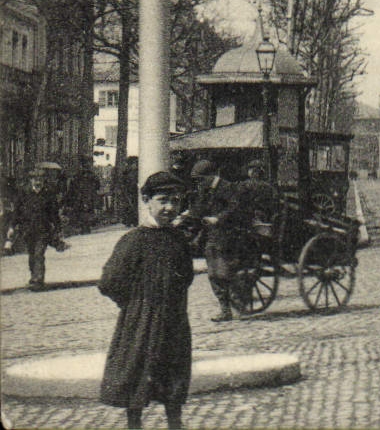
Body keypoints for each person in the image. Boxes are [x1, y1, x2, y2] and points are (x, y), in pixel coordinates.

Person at [99, 171, 195, 430]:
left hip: (174, 322)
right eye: (163, 200)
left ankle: (175, 424)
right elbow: (109, 281)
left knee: (173, 378)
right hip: (141, 322)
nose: (170, 207)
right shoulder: (134, 241)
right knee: (137, 376)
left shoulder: (179, 240)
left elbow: (186, 276)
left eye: (175, 201)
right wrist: (135, 304)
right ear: (146, 201)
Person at [187, 161, 249, 322]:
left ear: (211, 176)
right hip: (212, 236)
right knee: (213, 274)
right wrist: (187, 215)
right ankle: (225, 309)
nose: (199, 183)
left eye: (201, 179)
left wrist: (218, 218)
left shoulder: (228, 187)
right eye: (197, 180)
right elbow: (199, 209)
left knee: (226, 271)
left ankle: (239, 305)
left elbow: (235, 208)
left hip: (231, 235)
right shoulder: (204, 189)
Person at [12, 168, 65, 290]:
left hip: (43, 230)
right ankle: (33, 276)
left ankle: (38, 279)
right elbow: (17, 212)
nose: (38, 182)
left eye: (40, 179)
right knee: (31, 254)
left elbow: (54, 214)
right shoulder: (23, 193)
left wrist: (58, 229)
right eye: (35, 179)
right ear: (31, 180)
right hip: (27, 230)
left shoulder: (48, 194)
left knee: (39, 254)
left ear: (43, 180)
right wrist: (12, 226)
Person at [66, 155, 102, 235]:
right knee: (84, 213)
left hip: (84, 197)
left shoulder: (82, 175)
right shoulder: (89, 175)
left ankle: (84, 227)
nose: (87, 165)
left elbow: (97, 186)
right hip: (84, 197)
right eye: (86, 163)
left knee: (84, 213)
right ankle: (84, 227)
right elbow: (97, 186)